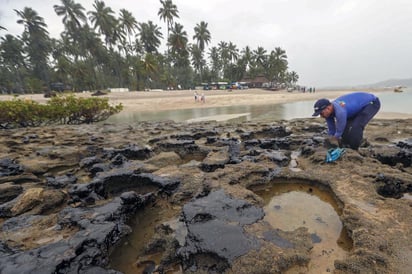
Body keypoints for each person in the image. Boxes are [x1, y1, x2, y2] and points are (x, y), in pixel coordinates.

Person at [312, 92, 381, 150]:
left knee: (356, 127)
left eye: (321, 113)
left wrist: (335, 139)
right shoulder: (328, 113)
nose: (321, 116)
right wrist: (330, 139)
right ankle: (346, 145)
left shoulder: (340, 112)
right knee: (346, 129)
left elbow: (339, 131)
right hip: (353, 109)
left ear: (328, 108)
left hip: (371, 103)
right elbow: (332, 129)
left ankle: (354, 149)